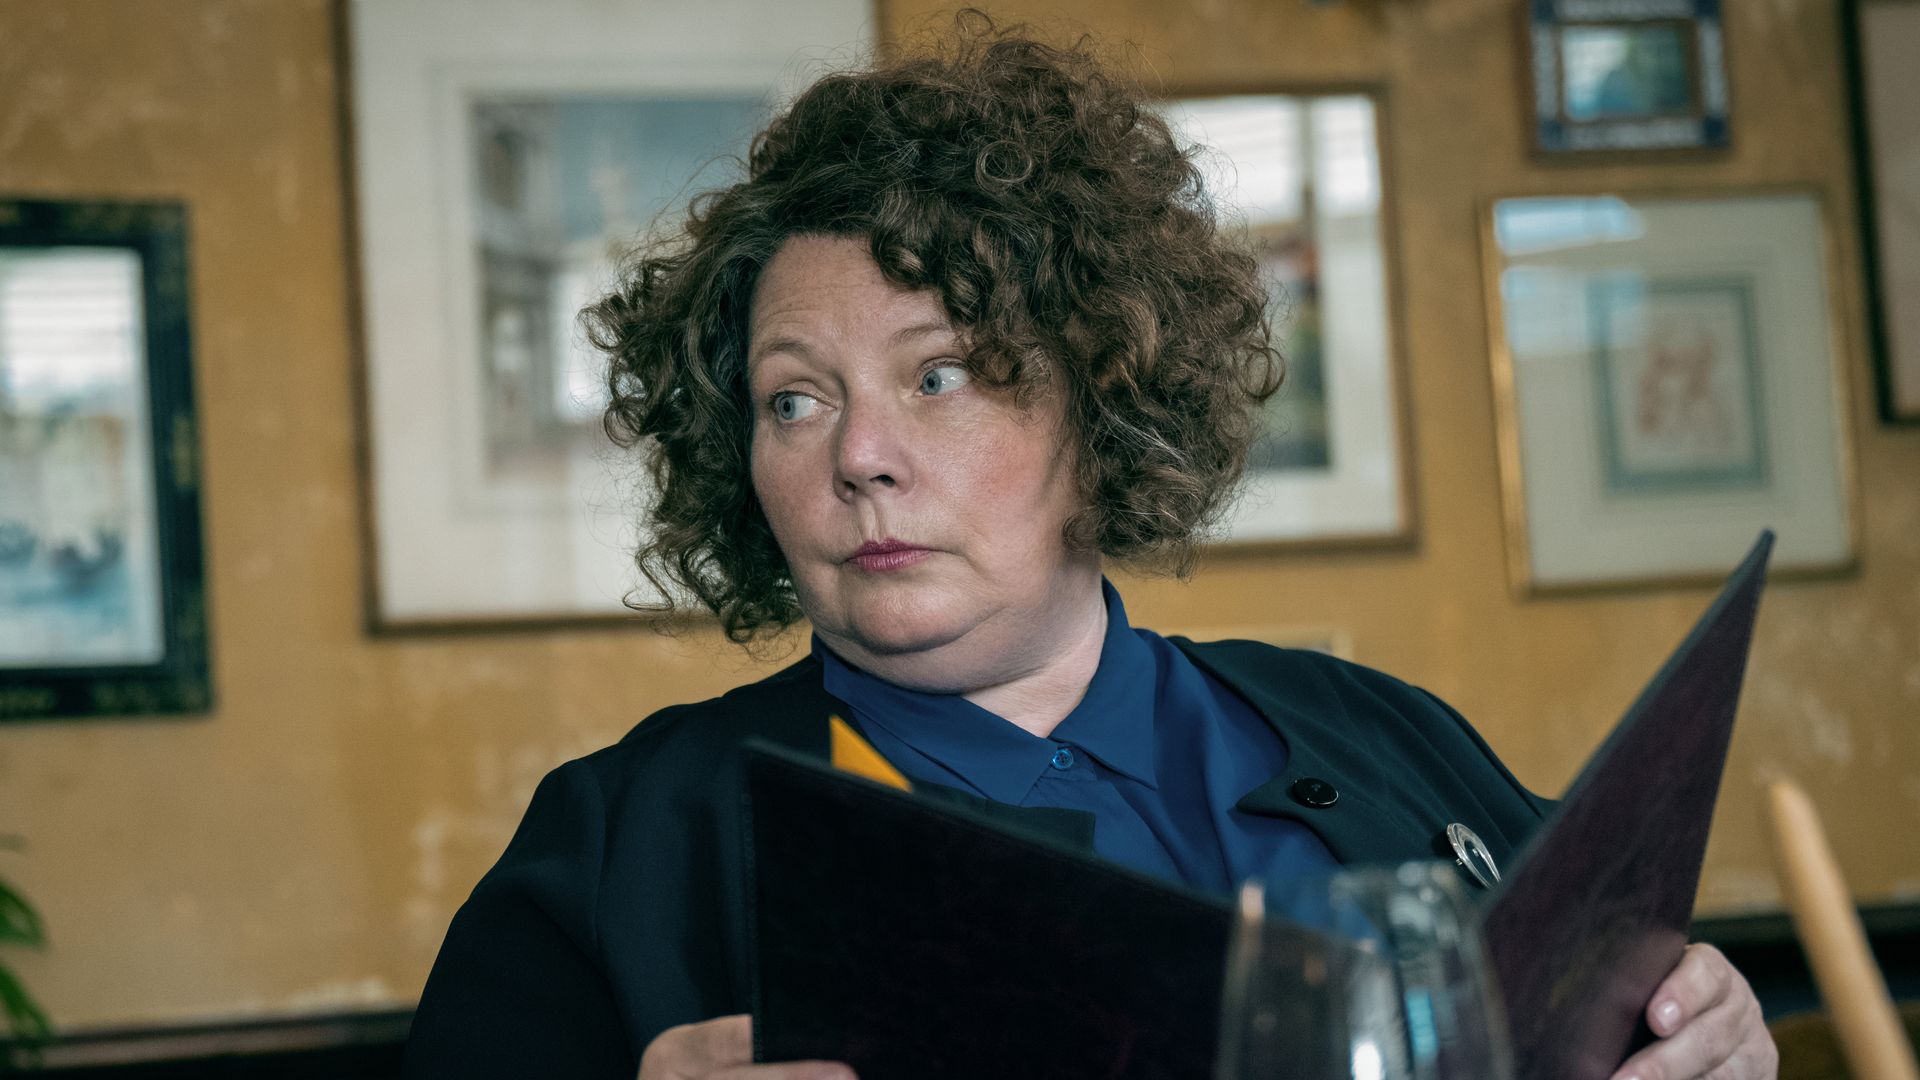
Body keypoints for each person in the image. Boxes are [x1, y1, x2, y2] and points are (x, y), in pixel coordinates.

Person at [403, 17, 1777, 1080]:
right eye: (794, 401)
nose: (859, 454)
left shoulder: (1384, 736)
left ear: (1099, 397)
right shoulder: (621, 850)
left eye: (939, 375)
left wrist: (1702, 1037)